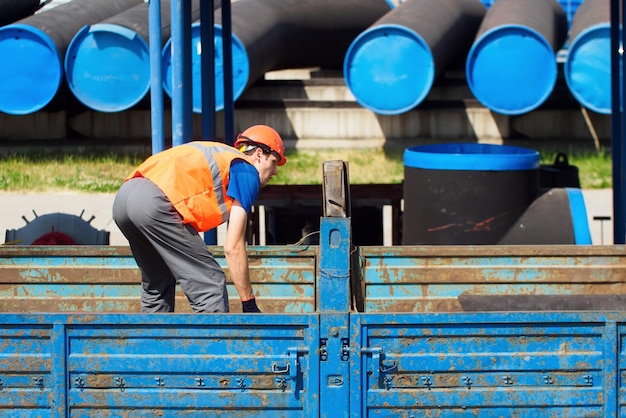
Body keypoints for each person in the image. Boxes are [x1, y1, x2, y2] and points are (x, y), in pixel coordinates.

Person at [112, 125, 287, 313]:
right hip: (153, 204)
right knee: (210, 285)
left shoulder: (224, 157)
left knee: (158, 283)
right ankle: (213, 342)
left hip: (123, 200)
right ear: (259, 154)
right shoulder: (246, 171)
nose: (275, 171)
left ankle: (151, 342)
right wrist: (248, 302)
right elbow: (233, 247)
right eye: (275, 161)